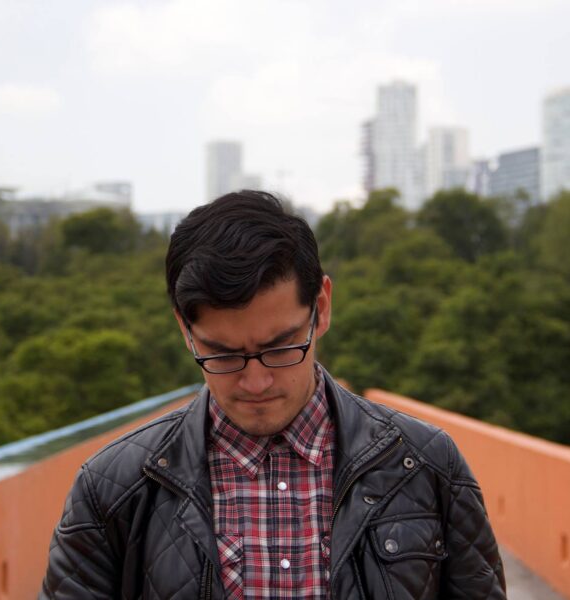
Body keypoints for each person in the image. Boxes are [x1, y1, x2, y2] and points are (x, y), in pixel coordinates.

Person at [41, 190, 506, 599]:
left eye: (280, 347)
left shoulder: (427, 466)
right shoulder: (111, 490)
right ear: (185, 329)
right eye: (222, 354)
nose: (256, 382)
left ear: (321, 308)